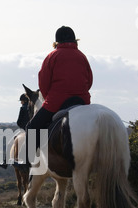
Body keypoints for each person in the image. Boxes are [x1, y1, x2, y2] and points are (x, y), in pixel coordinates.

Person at [26, 26, 93, 166]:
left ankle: (27, 161)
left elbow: (43, 83)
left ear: (57, 42)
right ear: (75, 40)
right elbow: (90, 80)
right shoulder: (82, 56)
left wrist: (49, 97)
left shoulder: (52, 56)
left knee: (32, 127)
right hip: (82, 102)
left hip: (57, 102)